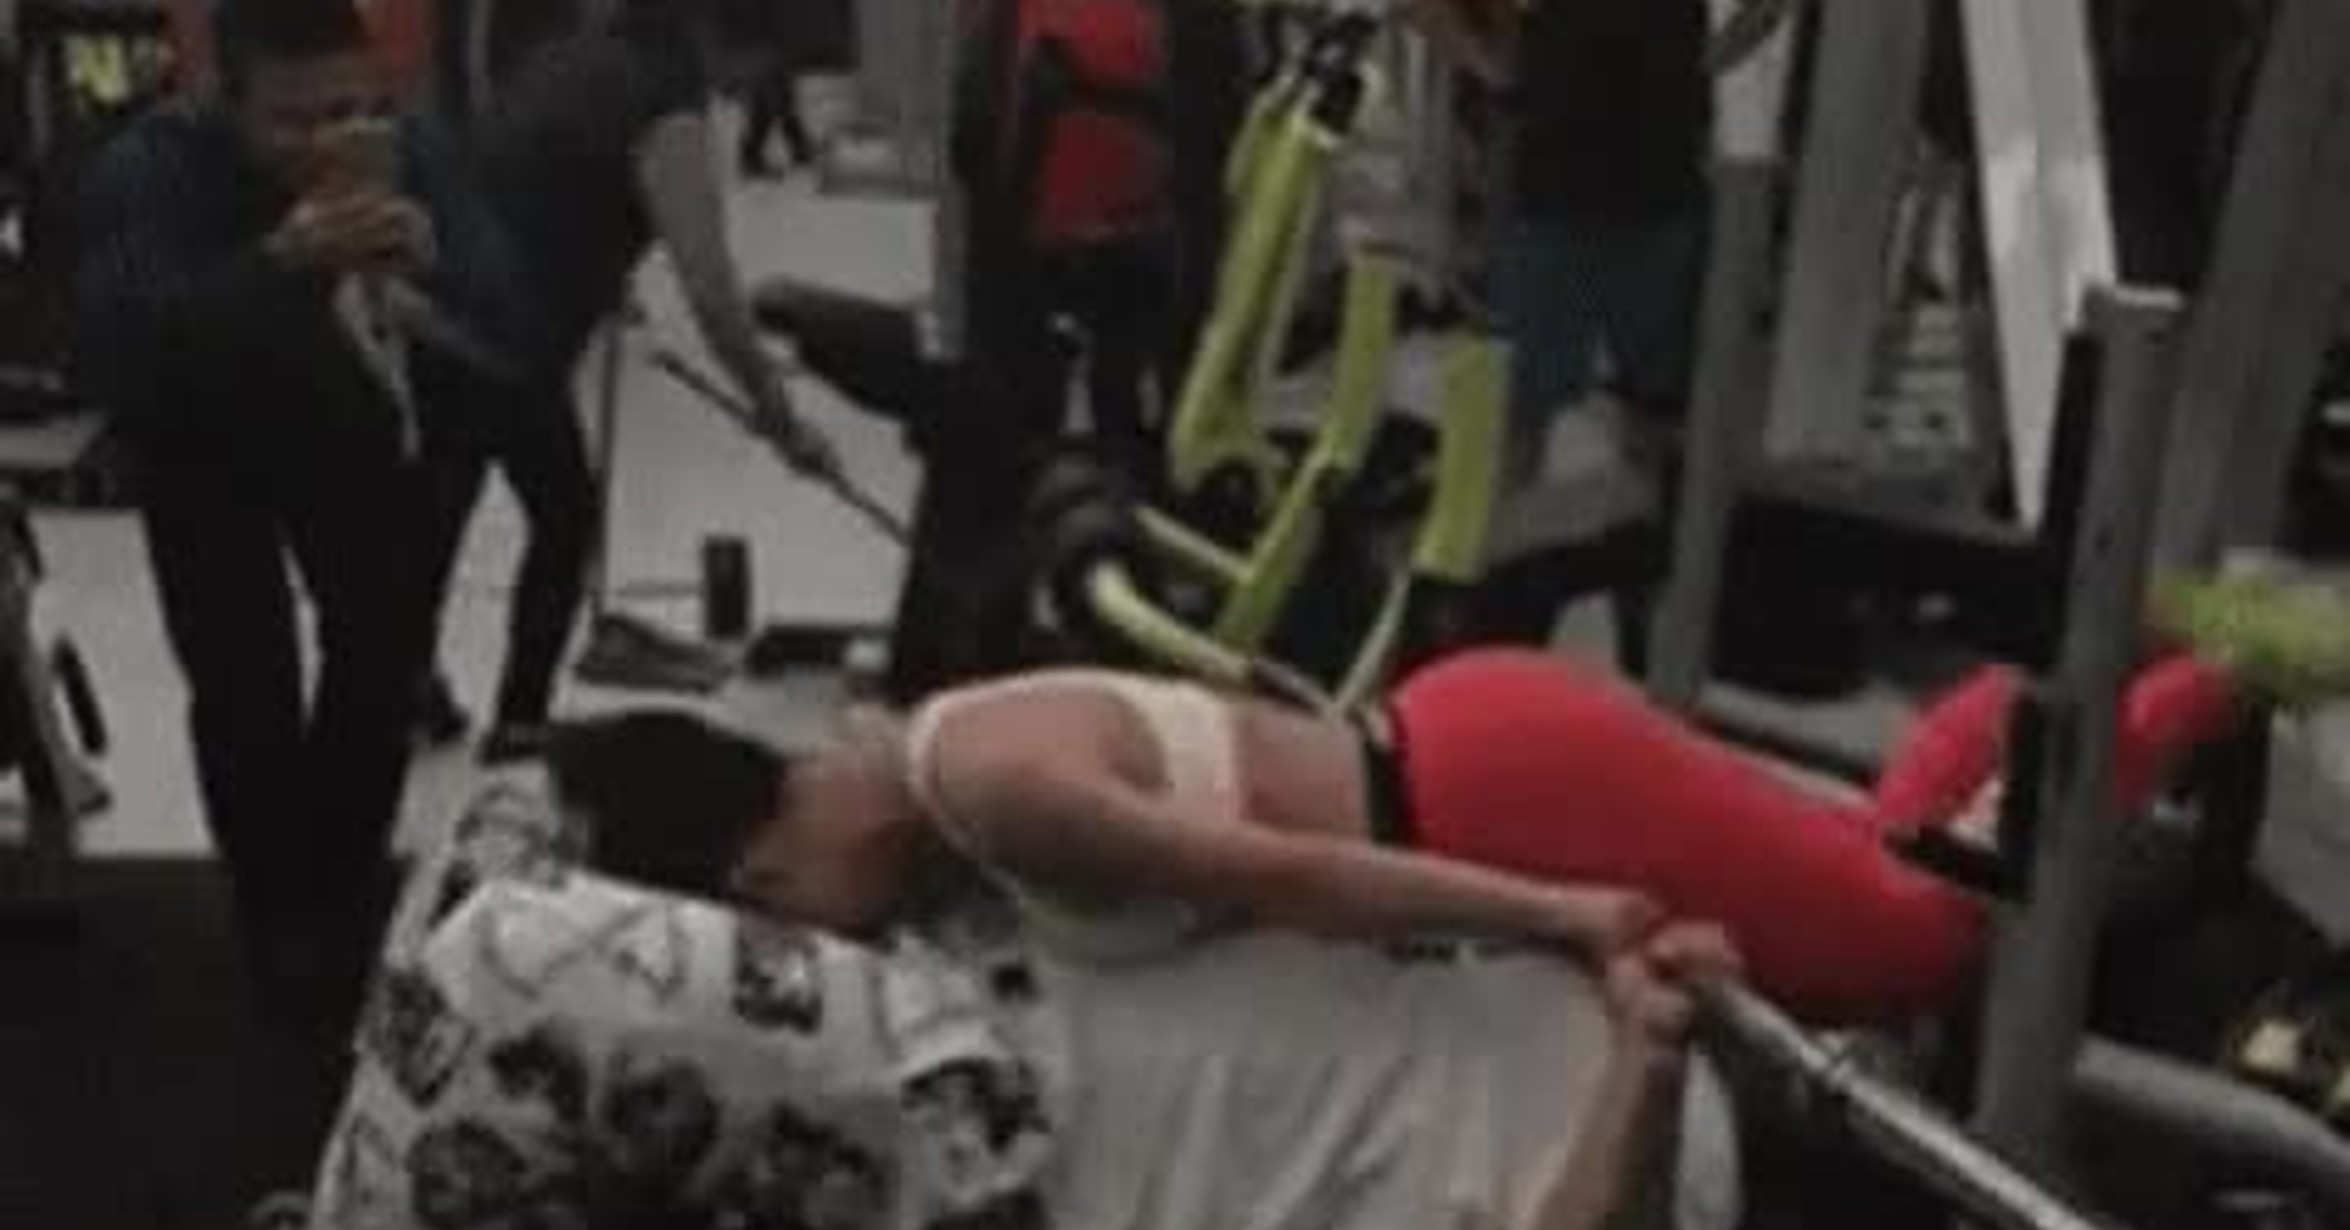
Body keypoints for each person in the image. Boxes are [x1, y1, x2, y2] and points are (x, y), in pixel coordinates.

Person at [545, 568, 2350, 1025]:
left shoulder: (996, 795)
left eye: (779, 923)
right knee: (1871, 856)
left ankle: (2215, 673)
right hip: (1465, 745)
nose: (823, 939)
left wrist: (1562, 915)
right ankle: (2112, 665)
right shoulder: (919, 739)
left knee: (1909, 940)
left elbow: (1296, 878)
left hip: (1487, 797)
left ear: (764, 867)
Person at [74, 0, 532, 1035]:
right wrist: (278, 263)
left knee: (384, 649)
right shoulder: (152, 169)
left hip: (344, 418)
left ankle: (339, 884)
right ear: (221, 100)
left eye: (352, 109)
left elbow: (512, 308)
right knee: (243, 681)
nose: (329, 139)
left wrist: (435, 265)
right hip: (200, 429)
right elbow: (123, 348)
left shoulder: (406, 151)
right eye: (295, 120)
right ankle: (275, 918)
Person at [417, 0, 841, 763]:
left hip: (437, 314)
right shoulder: (666, 105)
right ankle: (520, 719)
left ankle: (409, 687)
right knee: (564, 517)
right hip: (506, 342)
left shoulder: (571, 56)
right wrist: (780, 418)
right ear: (722, 44)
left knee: (441, 514)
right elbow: (710, 289)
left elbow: (531, 174)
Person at [1410, 0, 1795, 493]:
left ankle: (1639, 518)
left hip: (1657, 189)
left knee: (1653, 409)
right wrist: (1496, 72)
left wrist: (1701, 65)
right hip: (1558, 193)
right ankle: (1493, 526)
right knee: (1523, 412)